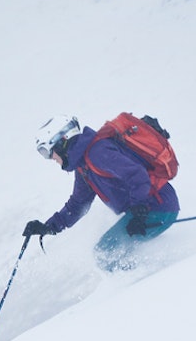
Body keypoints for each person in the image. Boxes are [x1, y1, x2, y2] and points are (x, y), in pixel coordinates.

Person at [23, 115, 179, 271]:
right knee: (108, 253)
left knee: (105, 252)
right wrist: (48, 227)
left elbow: (137, 175)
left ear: (62, 142)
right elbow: (78, 204)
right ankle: (146, 274)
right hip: (148, 210)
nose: (50, 158)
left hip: (157, 207)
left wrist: (139, 213)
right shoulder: (84, 165)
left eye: (48, 152)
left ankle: (146, 280)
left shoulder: (97, 153)